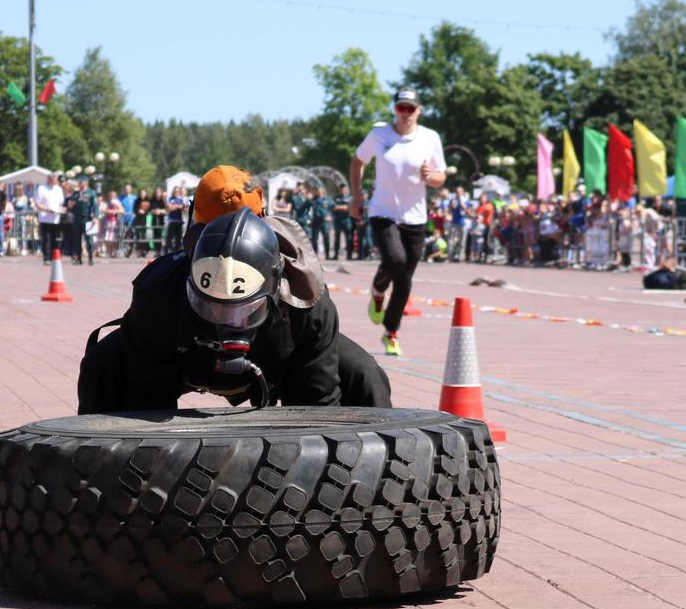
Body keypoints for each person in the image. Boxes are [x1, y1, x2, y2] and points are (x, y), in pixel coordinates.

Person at [78, 165, 392, 413]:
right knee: (103, 364)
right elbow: (144, 411)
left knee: (363, 374)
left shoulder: (304, 295)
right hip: (183, 363)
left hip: (280, 363)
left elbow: (317, 409)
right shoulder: (159, 291)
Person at [350, 88, 446, 357]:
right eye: (401, 108)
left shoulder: (430, 138)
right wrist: (356, 196)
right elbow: (357, 161)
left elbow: (442, 177)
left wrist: (431, 176)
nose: (405, 114)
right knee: (394, 260)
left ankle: (391, 332)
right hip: (383, 212)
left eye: (410, 109)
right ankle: (378, 290)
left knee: (405, 281)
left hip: (415, 217)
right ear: (394, 109)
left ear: (419, 110)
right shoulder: (379, 135)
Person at [34, 172, 64, 263]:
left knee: (55, 238)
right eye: (53, 179)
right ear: (49, 179)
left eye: (56, 179)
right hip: (45, 218)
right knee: (46, 238)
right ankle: (46, 257)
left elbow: (61, 203)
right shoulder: (41, 188)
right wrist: (48, 210)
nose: (55, 181)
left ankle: (54, 257)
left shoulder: (58, 189)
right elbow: (38, 204)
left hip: (56, 218)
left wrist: (61, 210)